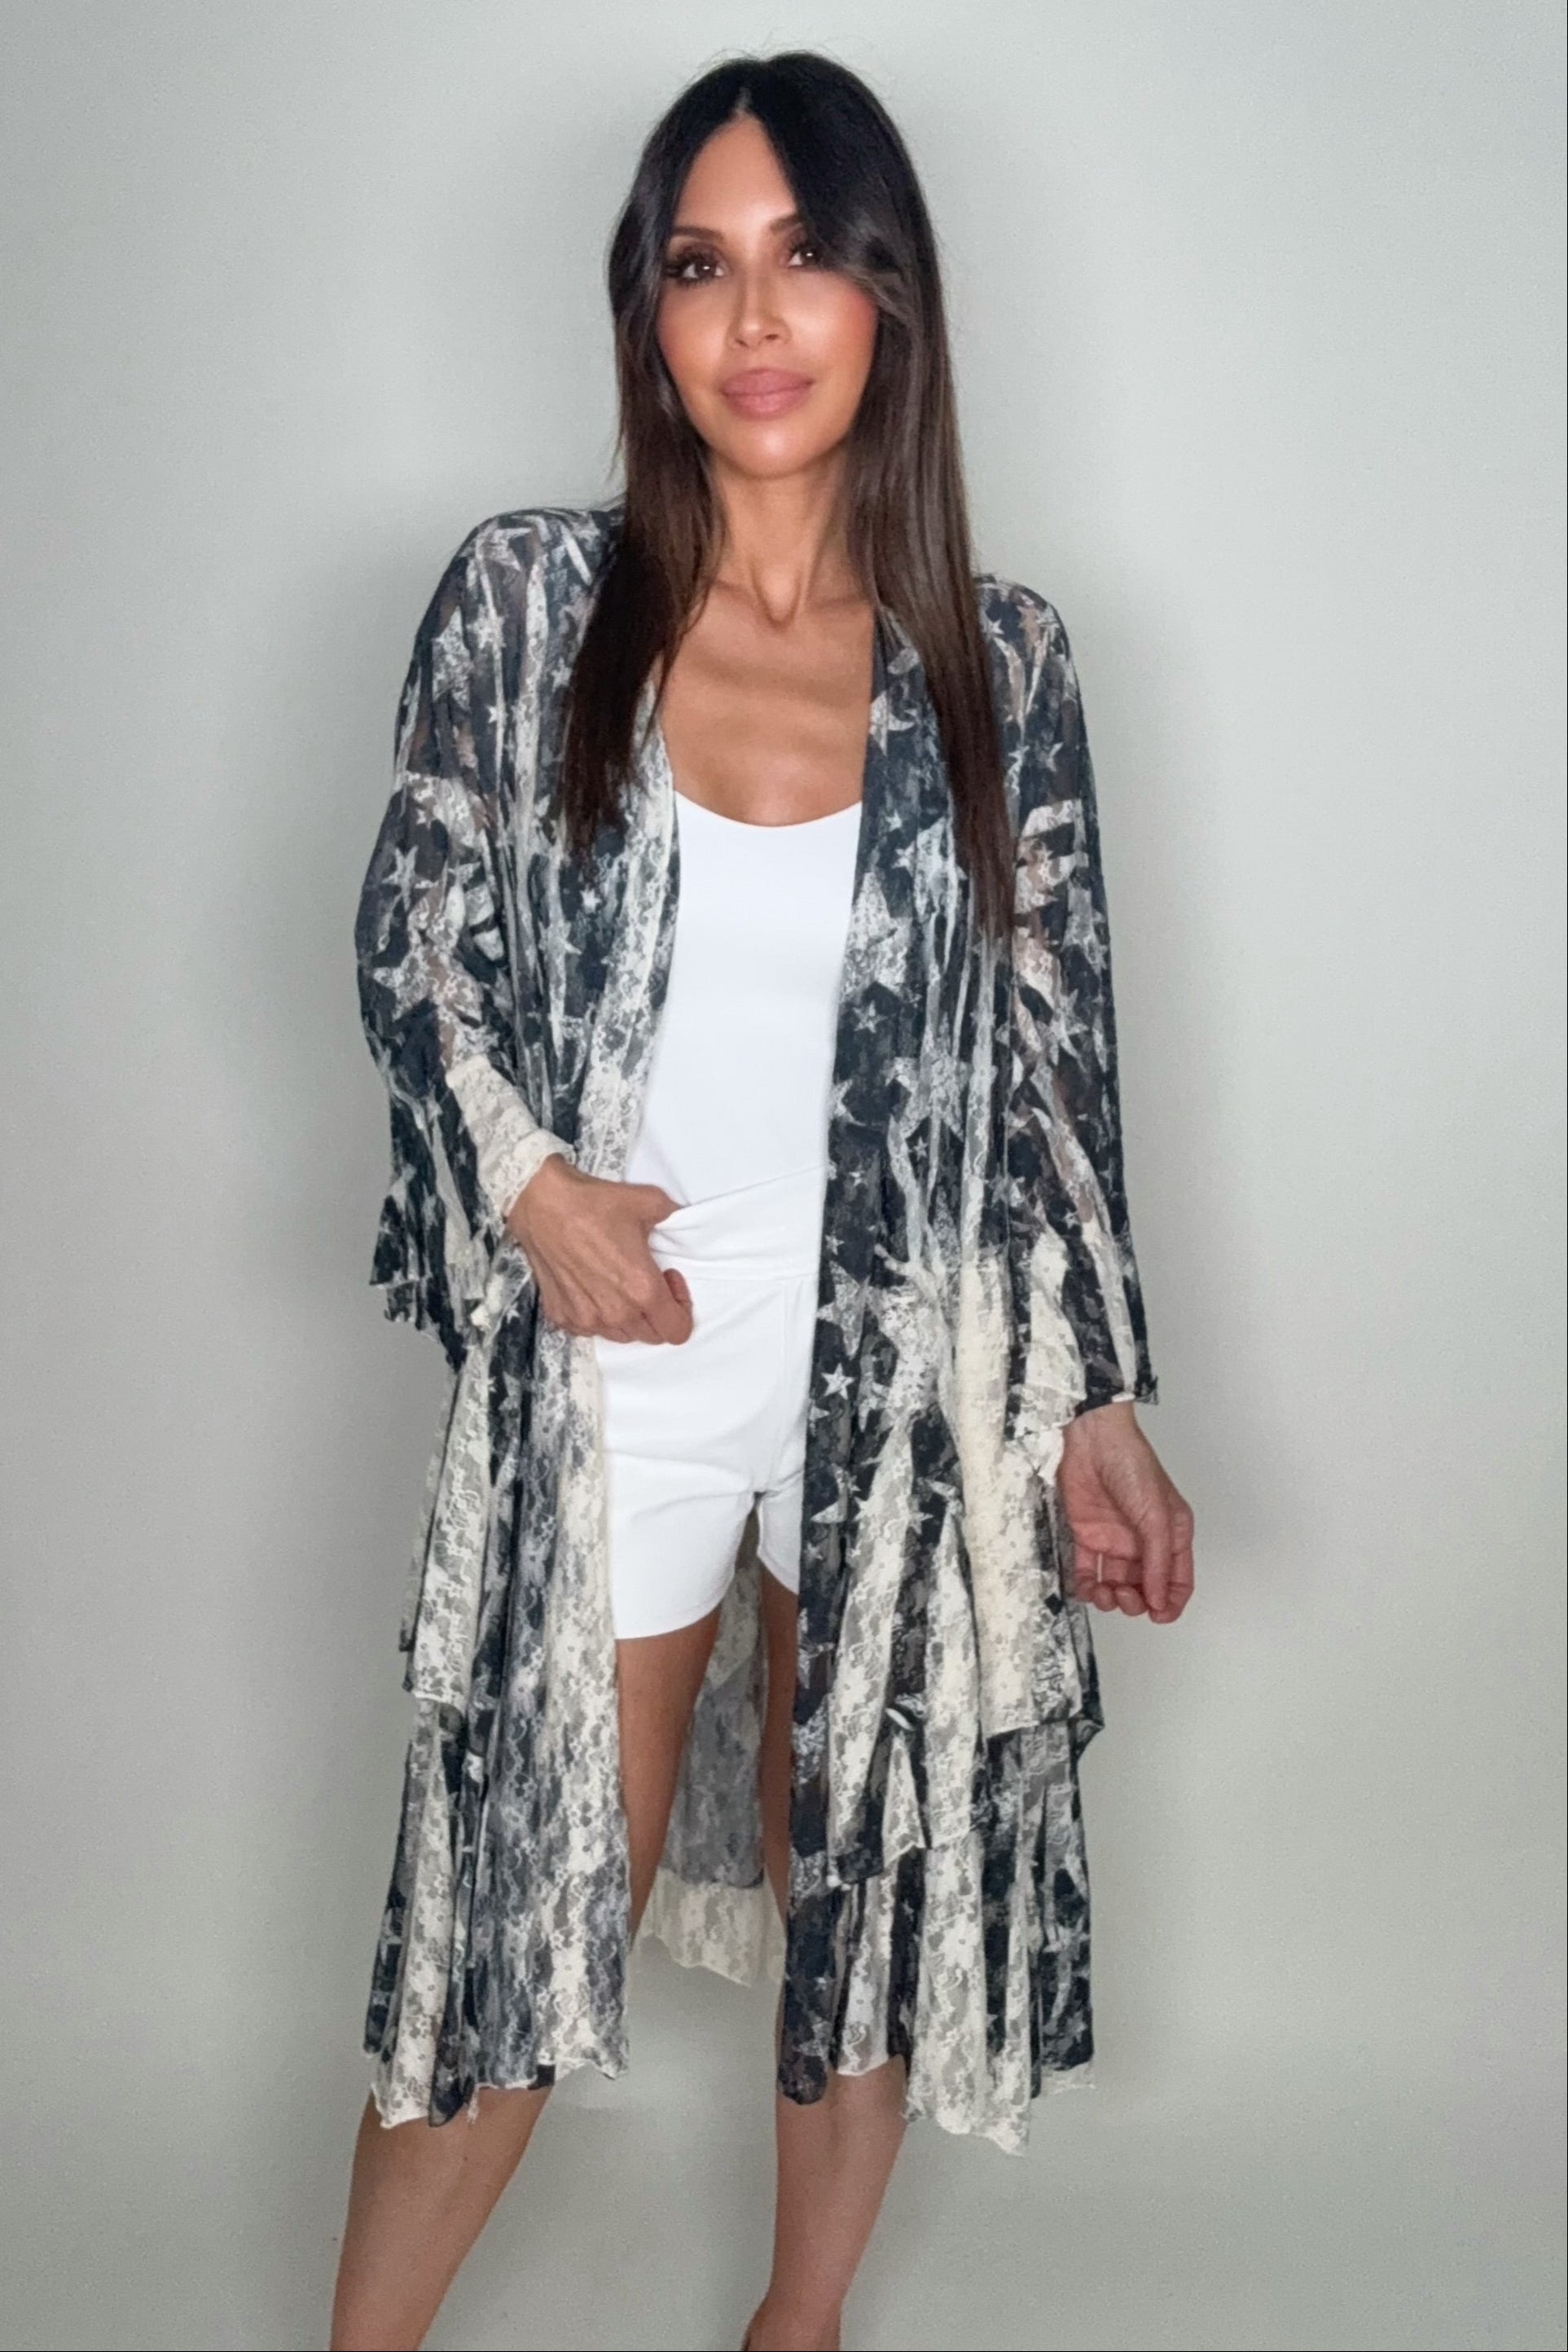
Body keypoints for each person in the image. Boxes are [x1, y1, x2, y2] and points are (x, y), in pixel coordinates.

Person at [331, 48, 1194, 2352]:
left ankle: (789, 2334)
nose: (756, 319)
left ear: (890, 294)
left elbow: (1056, 1070)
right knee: (520, 1920)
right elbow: (411, 938)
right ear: (649, 314)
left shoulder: (998, 663)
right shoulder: (534, 604)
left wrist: (1098, 1404)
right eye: (700, 267)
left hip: (901, 1385)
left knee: (868, 1901)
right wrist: (534, 1190)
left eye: (807, 257)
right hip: (626, 1366)